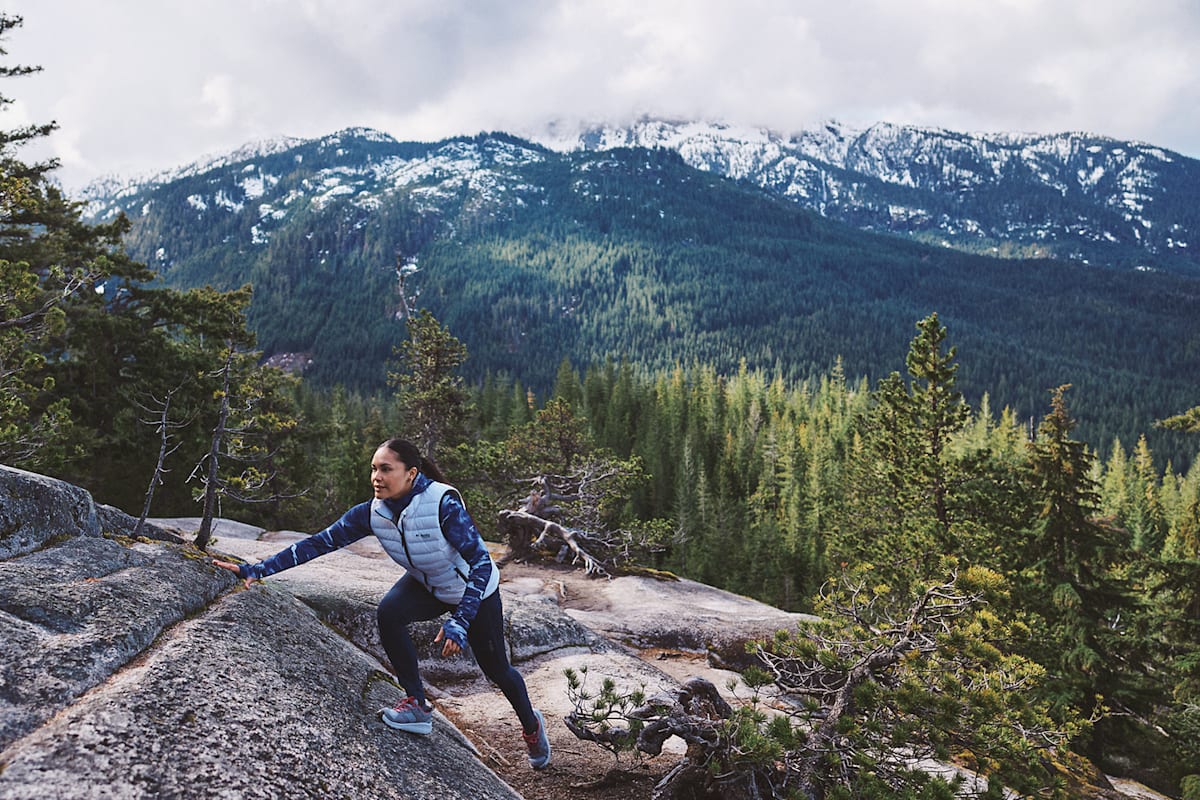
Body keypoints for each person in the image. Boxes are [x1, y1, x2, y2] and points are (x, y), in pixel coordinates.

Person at [212, 438, 551, 770]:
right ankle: (417, 705)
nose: (376, 477)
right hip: (427, 585)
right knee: (389, 613)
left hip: (474, 591)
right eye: (373, 469)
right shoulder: (372, 514)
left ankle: (531, 727)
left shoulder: (443, 505)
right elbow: (318, 544)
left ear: (412, 474)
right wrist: (255, 569)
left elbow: (480, 562)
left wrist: (461, 620)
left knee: (496, 670)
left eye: (386, 469)